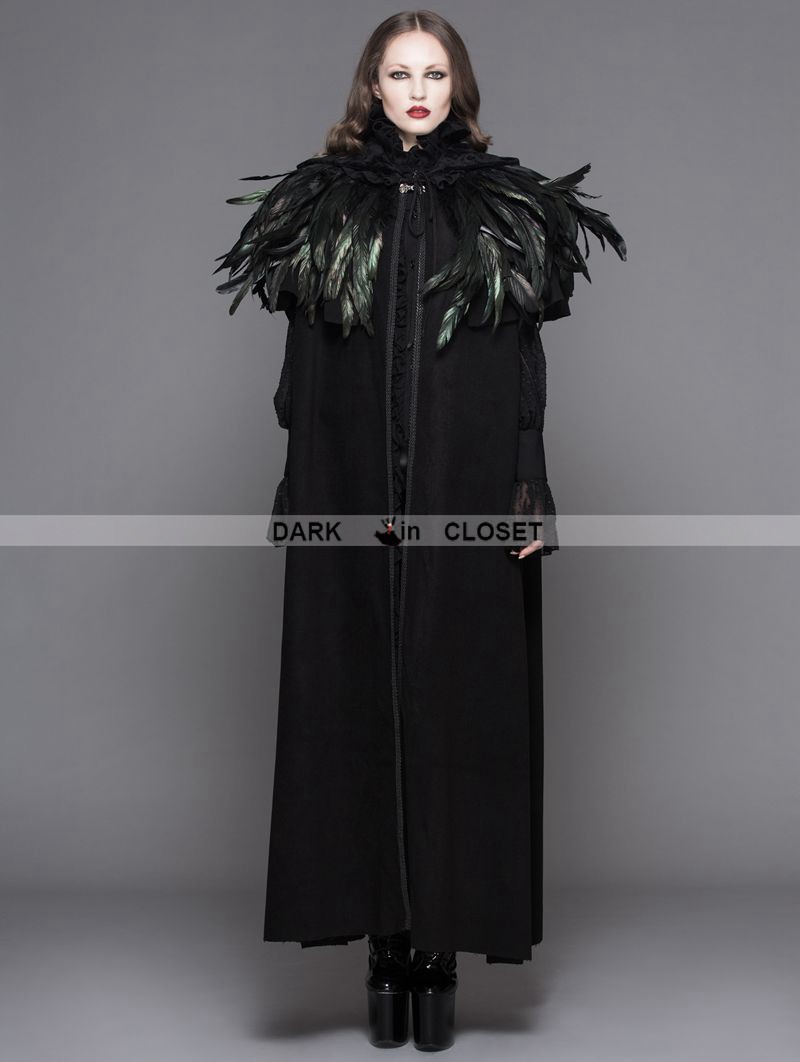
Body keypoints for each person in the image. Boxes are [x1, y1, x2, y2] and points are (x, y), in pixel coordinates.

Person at [215, 10, 626, 1051]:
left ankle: (436, 947)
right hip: (349, 486)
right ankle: (382, 949)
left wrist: (528, 488)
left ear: (457, 87)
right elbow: (300, 361)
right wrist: (297, 482)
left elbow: (525, 360)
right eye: (397, 73)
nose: (415, 90)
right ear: (371, 86)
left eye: (432, 73)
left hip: (466, 484)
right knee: (354, 695)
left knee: (456, 701)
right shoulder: (323, 203)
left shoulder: (503, 207)